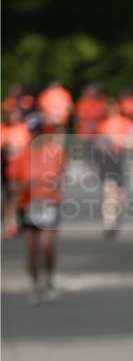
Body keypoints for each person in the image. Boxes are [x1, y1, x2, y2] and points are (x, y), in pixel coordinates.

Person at [6, 113, 67, 304]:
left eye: (40, 130)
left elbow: (61, 176)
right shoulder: (20, 157)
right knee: (32, 250)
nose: (36, 134)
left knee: (47, 246)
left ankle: (48, 279)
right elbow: (12, 188)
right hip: (28, 206)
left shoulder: (55, 153)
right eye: (33, 130)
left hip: (49, 204)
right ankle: (35, 284)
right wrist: (26, 185)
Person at [94, 99, 133, 237]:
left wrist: (117, 141)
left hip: (121, 159)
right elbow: (97, 143)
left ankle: (116, 214)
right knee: (108, 189)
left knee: (119, 193)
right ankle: (109, 220)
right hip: (107, 161)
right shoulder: (102, 125)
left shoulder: (125, 123)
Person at [1, 106, 30, 238]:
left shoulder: (25, 129)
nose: (13, 117)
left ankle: (22, 222)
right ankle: (9, 224)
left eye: (15, 114)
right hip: (8, 167)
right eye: (11, 114)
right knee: (10, 196)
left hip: (23, 168)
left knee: (23, 196)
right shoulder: (4, 129)